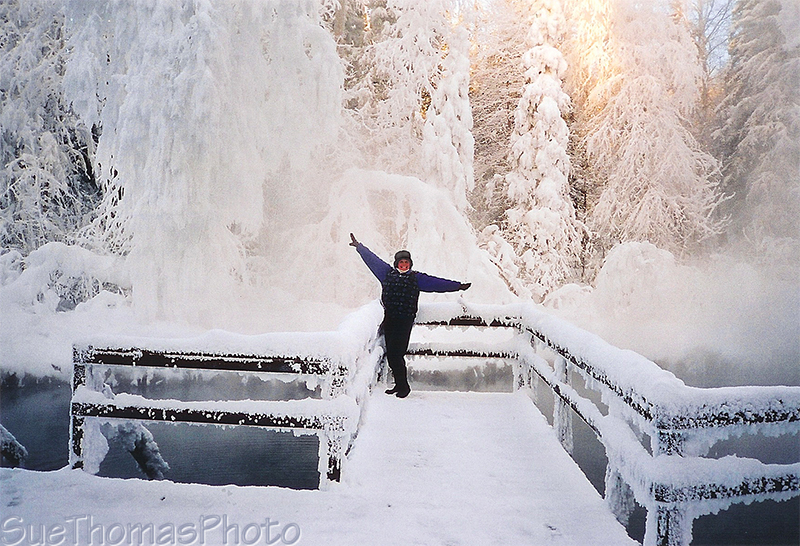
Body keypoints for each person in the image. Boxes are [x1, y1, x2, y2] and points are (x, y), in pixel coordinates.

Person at [350, 233, 471, 398]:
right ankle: (399, 385)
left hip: (404, 321)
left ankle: (404, 387)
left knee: (396, 354)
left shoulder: (416, 278)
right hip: (389, 319)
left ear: (410, 264)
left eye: (407, 262)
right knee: (391, 353)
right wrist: (360, 248)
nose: (404, 265)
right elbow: (373, 261)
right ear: (396, 263)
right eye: (401, 262)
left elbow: (437, 283)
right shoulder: (387, 274)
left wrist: (458, 286)